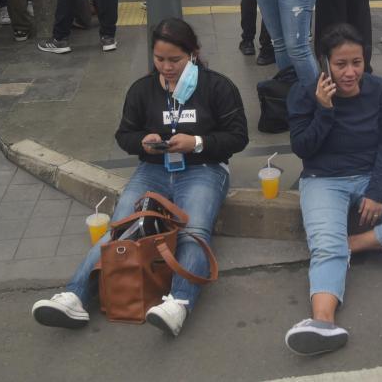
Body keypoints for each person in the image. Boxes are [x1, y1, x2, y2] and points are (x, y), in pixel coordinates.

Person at [31, 18, 248, 336]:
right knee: (121, 228)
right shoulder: (142, 90)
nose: (167, 67)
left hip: (205, 168)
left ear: (193, 53)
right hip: (153, 169)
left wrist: (197, 142)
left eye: (175, 60)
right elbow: (124, 135)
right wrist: (142, 142)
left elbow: (238, 137)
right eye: (159, 59)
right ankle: (74, 296)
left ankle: (178, 303)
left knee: (194, 231)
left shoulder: (217, 87)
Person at [284, 24, 382, 355]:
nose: (350, 73)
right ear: (325, 63)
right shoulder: (304, 93)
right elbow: (303, 148)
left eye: (357, 63)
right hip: (323, 179)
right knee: (325, 247)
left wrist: (376, 191)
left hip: (371, 174)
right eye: (340, 64)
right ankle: (323, 323)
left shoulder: (381, 88)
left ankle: (354, 244)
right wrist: (324, 109)